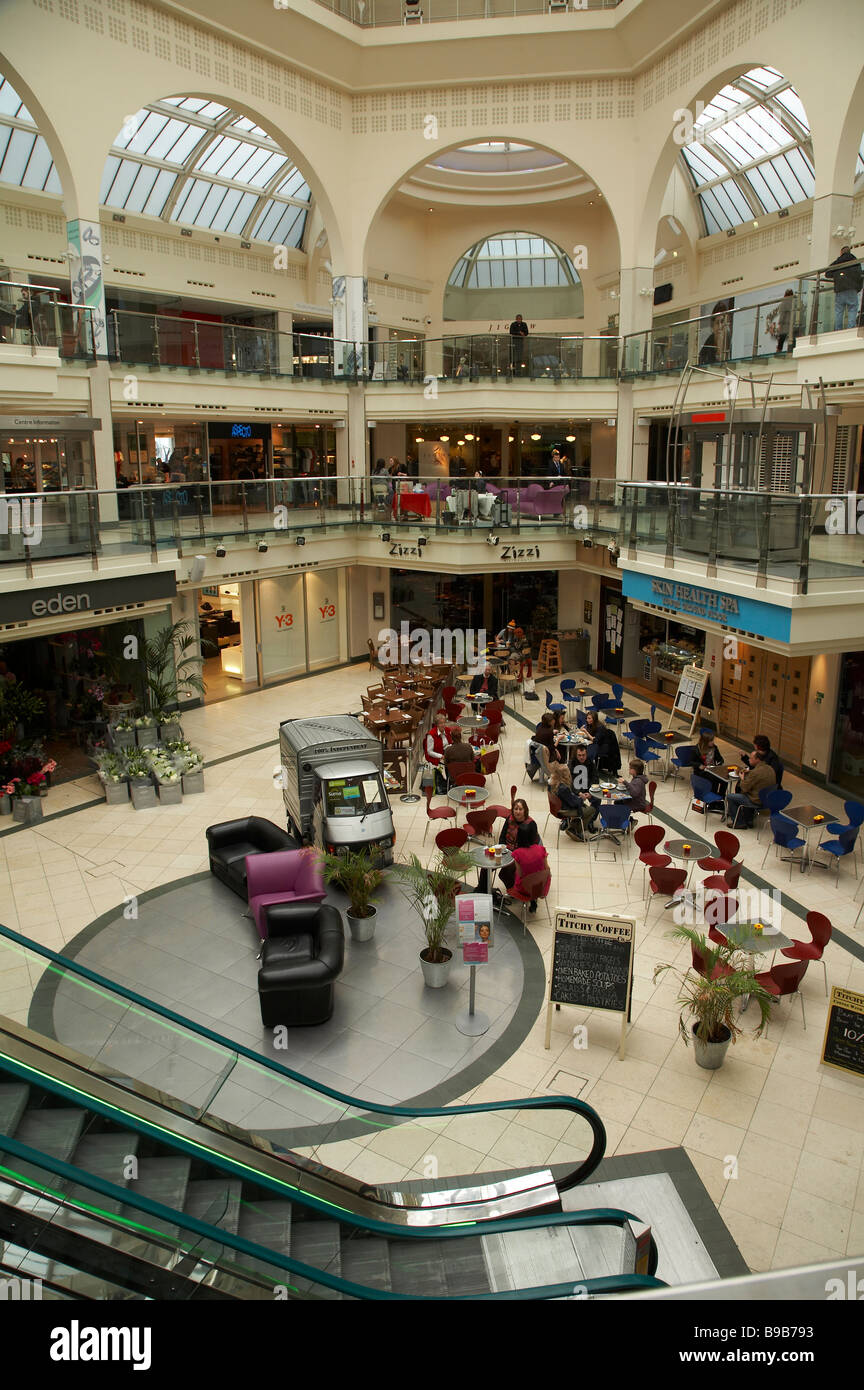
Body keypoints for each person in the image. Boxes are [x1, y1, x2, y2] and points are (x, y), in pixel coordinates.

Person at [496, 799, 543, 909]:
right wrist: (503, 848)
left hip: (521, 856)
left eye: (520, 809)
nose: (517, 812)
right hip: (506, 851)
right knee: (487, 866)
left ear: (525, 810)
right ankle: (482, 889)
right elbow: (502, 836)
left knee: (504, 873)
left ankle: (518, 890)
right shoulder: (509, 819)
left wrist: (518, 855)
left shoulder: (530, 824)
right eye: (515, 809)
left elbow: (532, 845)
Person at [724, 748, 776, 829]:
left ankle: (739, 822)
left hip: (756, 800)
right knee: (746, 793)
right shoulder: (770, 769)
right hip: (767, 799)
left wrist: (742, 778)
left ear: (757, 759)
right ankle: (748, 819)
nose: (749, 759)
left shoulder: (755, 773)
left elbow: (744, 788)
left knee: (731, 797)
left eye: (751, 758)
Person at [826, 246, 863, 331]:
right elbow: (860, 276)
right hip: (852, 289)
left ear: (841, 253)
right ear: (849, 252)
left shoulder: (837, 262)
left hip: (840, 290)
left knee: (839, 311)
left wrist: (836, 275)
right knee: (852, 309)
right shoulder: (856, 262)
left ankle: (838, 329)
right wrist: (858, 288)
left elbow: (827, 274)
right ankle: (851, 328)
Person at [583, 709, 621, 775]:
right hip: (599, 743)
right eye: (587, 718)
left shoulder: (600, 727)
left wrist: (586, 732)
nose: (587, 720)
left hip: (603, 746)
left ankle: (588, 769)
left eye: (589, 718)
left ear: (594, 719)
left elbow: (595, 740)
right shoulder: (592, 724)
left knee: (588, 751)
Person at [528, 711, 564, 780]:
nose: (554, 721)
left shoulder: (540, 727)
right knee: (561, 751)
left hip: (537, 752)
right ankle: (558, 773)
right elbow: (552, 748)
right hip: (545, 756)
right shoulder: (549, 731)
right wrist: (558, 739)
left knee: (557, 750)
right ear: (549, 722)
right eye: (553, 720)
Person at [424, 708, 451, 793]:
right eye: (441, 723)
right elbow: (429, 751)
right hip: (436, 755)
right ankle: (445, 783)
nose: (443, 725)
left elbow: (450, 742)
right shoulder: (431, 735)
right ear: (436, 725)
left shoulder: (447, 730)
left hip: (446, 752)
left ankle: (453, 781)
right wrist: (441, 756)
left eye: (444, 723)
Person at [774, 289, 796, 354]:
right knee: (792, 339)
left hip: (785, 324)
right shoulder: (795, 302)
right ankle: (791, 352)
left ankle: (778, 353)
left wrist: (780, 325)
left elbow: (782, 315)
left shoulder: (784, 303)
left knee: (781, 339)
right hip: (793, 323)